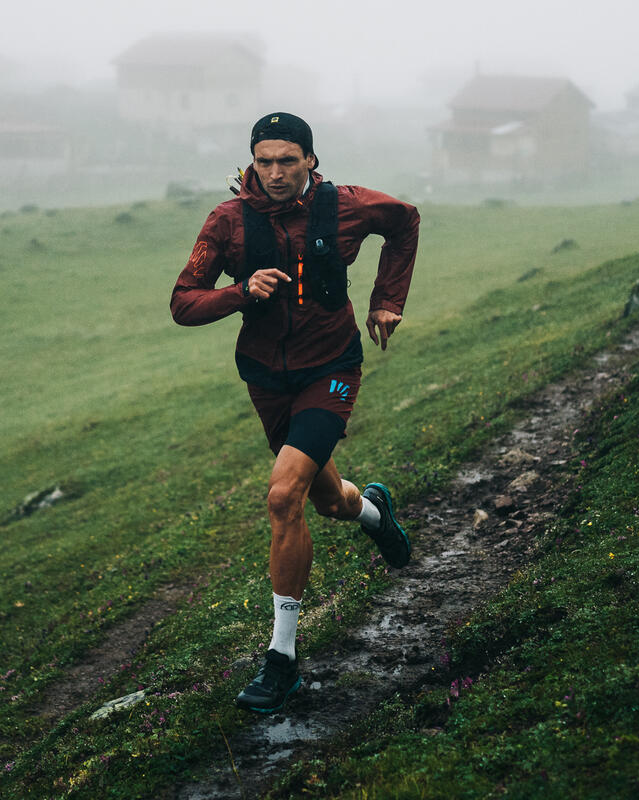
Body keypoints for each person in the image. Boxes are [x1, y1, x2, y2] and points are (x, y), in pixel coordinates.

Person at [170, 112, 419, 714]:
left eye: (287, 160)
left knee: (283, 497)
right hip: (266, 378)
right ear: (250, 162)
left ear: (310, 159)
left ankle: (282, 660)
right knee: (324, 500)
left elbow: (405, 221)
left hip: (331, 366)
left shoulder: (349, 207)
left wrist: (388, 301)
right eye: (264, 161)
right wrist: (239, 291)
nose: (276, 172)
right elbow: (183, 302)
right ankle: (372, 512)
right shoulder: (227, 222)